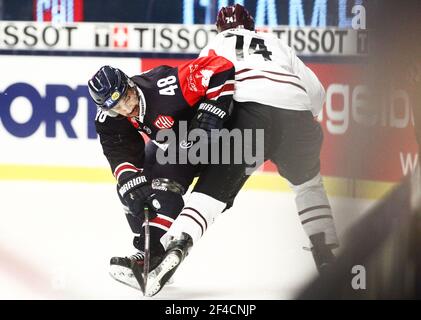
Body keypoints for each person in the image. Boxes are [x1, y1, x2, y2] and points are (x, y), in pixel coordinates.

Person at [150, 3, 340, 296]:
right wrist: (299, 116)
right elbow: (317, 93)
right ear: (250, 25)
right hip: (298, 116)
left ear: (218, 29)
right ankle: (327, 254)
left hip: (250, 116)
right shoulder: (276, 42)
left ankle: (178, 244)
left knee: (212, 190)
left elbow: (202, 87)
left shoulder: (215, 44)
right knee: (308, 186)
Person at [87, 55, 235, 293]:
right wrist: (128, 179)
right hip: (173, 145)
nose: (126, 108)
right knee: (130, 188)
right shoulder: (110, 116)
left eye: (126, 97)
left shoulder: (167, 84)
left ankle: (153, 250)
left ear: (129, 84)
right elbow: (118, 148)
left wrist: (211, 111)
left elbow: (221, 66)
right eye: (117, 106)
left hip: (219, 142)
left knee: (164, 182)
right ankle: (150, 251)